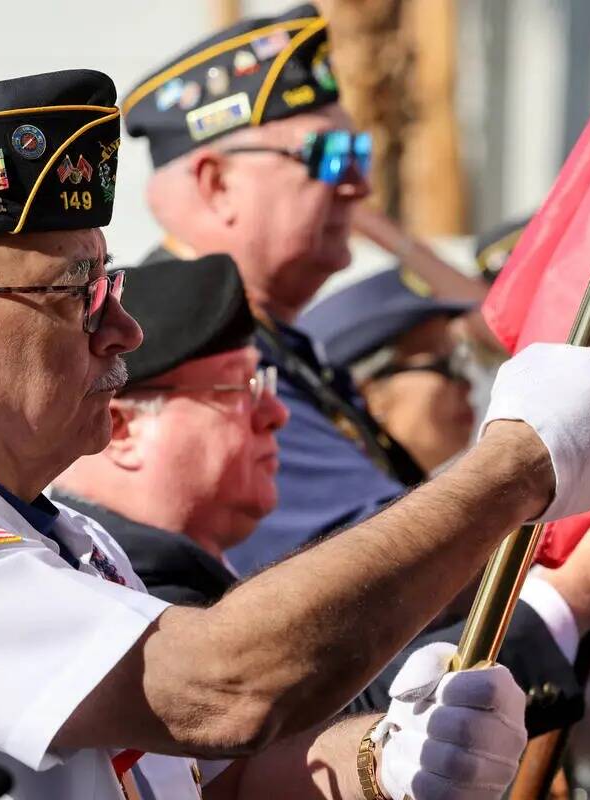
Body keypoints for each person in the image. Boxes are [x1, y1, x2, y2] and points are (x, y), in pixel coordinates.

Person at [0, 69, 590, 800]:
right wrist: (514, 466)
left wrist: (383, 757)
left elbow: (218, 780)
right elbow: (219, 689)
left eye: (108, 282)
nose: (123, 329)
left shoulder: (72, 541)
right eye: (76, 293)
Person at [55, 254, 590, 737]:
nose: (276, 416)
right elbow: (308, 730)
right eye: (241, 389)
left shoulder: (160, 569)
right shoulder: (108, 582)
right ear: (126, 428)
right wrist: (575, 593)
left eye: (267, 383)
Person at [121, 5, 429, 572]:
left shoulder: (278, 342)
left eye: (359, 154)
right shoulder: (199, 356)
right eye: (328, 158)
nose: (359, 186)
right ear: (218, 186)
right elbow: (379, 561)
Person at [297, 267, 474, 472]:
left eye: (461, 363)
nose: (466, 384)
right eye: (442, 366)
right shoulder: (350, 499)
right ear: (367, 393)